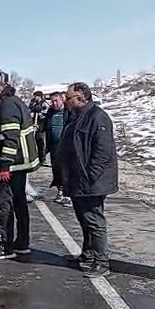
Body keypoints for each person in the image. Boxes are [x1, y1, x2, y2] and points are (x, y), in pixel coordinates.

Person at [58, 82, 118, 278]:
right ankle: (88, 254)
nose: (66, 102)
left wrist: (90, 175)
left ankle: (102, 261)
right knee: (84, 219)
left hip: (91, 181)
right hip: (77, 179)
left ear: (81, 98)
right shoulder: (76, 117)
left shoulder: (97, 117)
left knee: (94, 220)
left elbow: (103, 152)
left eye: (68, 98)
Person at [0, 79, 40, 260]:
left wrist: (5, 165)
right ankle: (21, 243)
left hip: (11, 165)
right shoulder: (12, 102)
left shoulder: (7, 105)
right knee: (19, 203)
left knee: (4, 204)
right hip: (18, 164)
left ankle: (7, 247)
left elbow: (10, 136)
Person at [43, 91, 68, 204]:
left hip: (65, 146)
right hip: (53, 146)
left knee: (66, 170)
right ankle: (60, 191)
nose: (54, 103)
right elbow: (46, 128)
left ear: (61, 100)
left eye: (56, 100)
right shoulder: (50, 112)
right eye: (52, 101)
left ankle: (67, 193)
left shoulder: (68, 112)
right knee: (56, 170)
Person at [28, 91, 48, 164]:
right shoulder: (32, 103)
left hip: (41, 126)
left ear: (39, 96)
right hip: (33, 125)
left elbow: (45, 113)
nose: (34, 97)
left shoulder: (44, 103)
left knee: (40, 141)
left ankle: (42, 158)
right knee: (33, 141)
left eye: (36, 96)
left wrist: (40, 115)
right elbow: (29, 111)